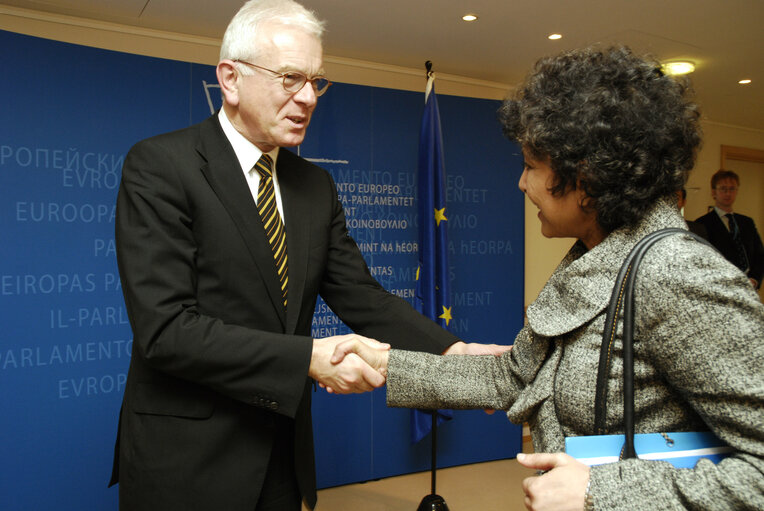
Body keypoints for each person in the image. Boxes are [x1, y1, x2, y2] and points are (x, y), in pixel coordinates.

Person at [108, 1, 506, 510]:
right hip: (185, 461)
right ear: (230, 79)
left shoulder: (314, 185)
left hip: (280, 455)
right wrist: (310, 360)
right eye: (290, 78)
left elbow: (362, 297)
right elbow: (166, 332)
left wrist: (453, 354)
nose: (308, 98)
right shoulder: (161, 165)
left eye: (316, 81)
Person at [336, 46, 764, 510]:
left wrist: (600, 493)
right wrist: (386, 365)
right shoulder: (593, 257)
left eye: (531, 167)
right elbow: (515, 375)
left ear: (586, 177)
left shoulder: (681, 275)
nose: (522, 184)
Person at [695, 170, 764, 290]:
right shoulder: (702, 223)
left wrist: (754, 279)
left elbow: (760, 255)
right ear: (713, 192)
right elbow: (700, 259)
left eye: (732, 189)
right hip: (720, 287)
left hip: (748, 287)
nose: (728, 193)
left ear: (737, 191)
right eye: (723, 189)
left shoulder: (747, 222)